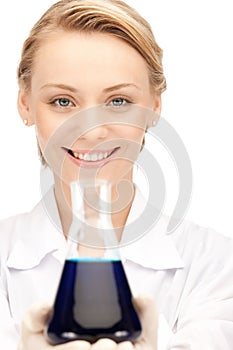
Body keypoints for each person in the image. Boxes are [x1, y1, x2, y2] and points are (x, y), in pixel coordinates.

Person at [0, 0, 233, 349]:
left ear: (154, 106)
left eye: (118, 101)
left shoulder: (215, 263)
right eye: (63, 101)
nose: (91, 132)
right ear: (25, 104)